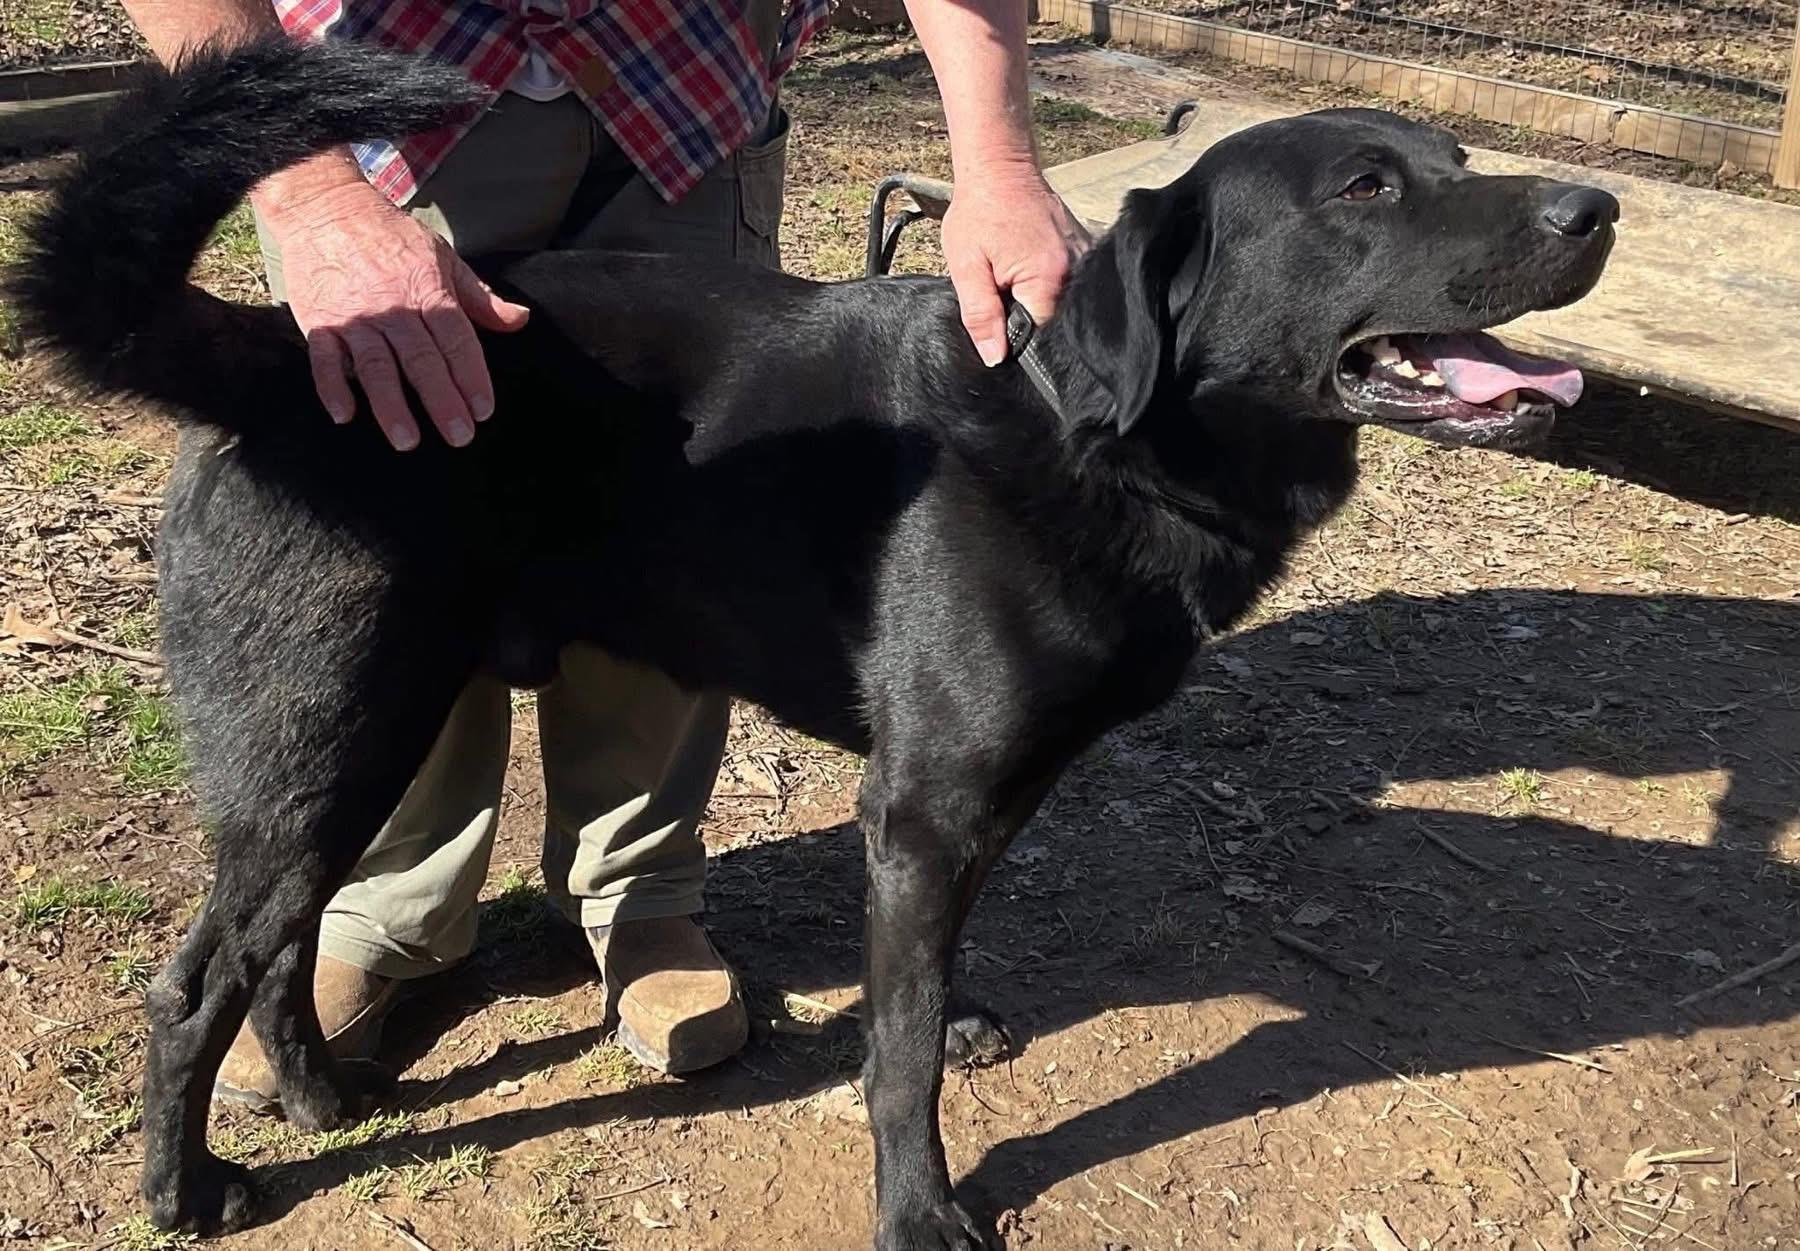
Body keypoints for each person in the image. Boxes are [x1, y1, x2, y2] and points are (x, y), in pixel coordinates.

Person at [117, 0, 1088, 1108]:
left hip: (677, 95)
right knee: (382, 577)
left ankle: (639, 894)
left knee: (703, 550)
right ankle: (384, 913)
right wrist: (310, 188)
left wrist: (1000, 158)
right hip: (383, 115)